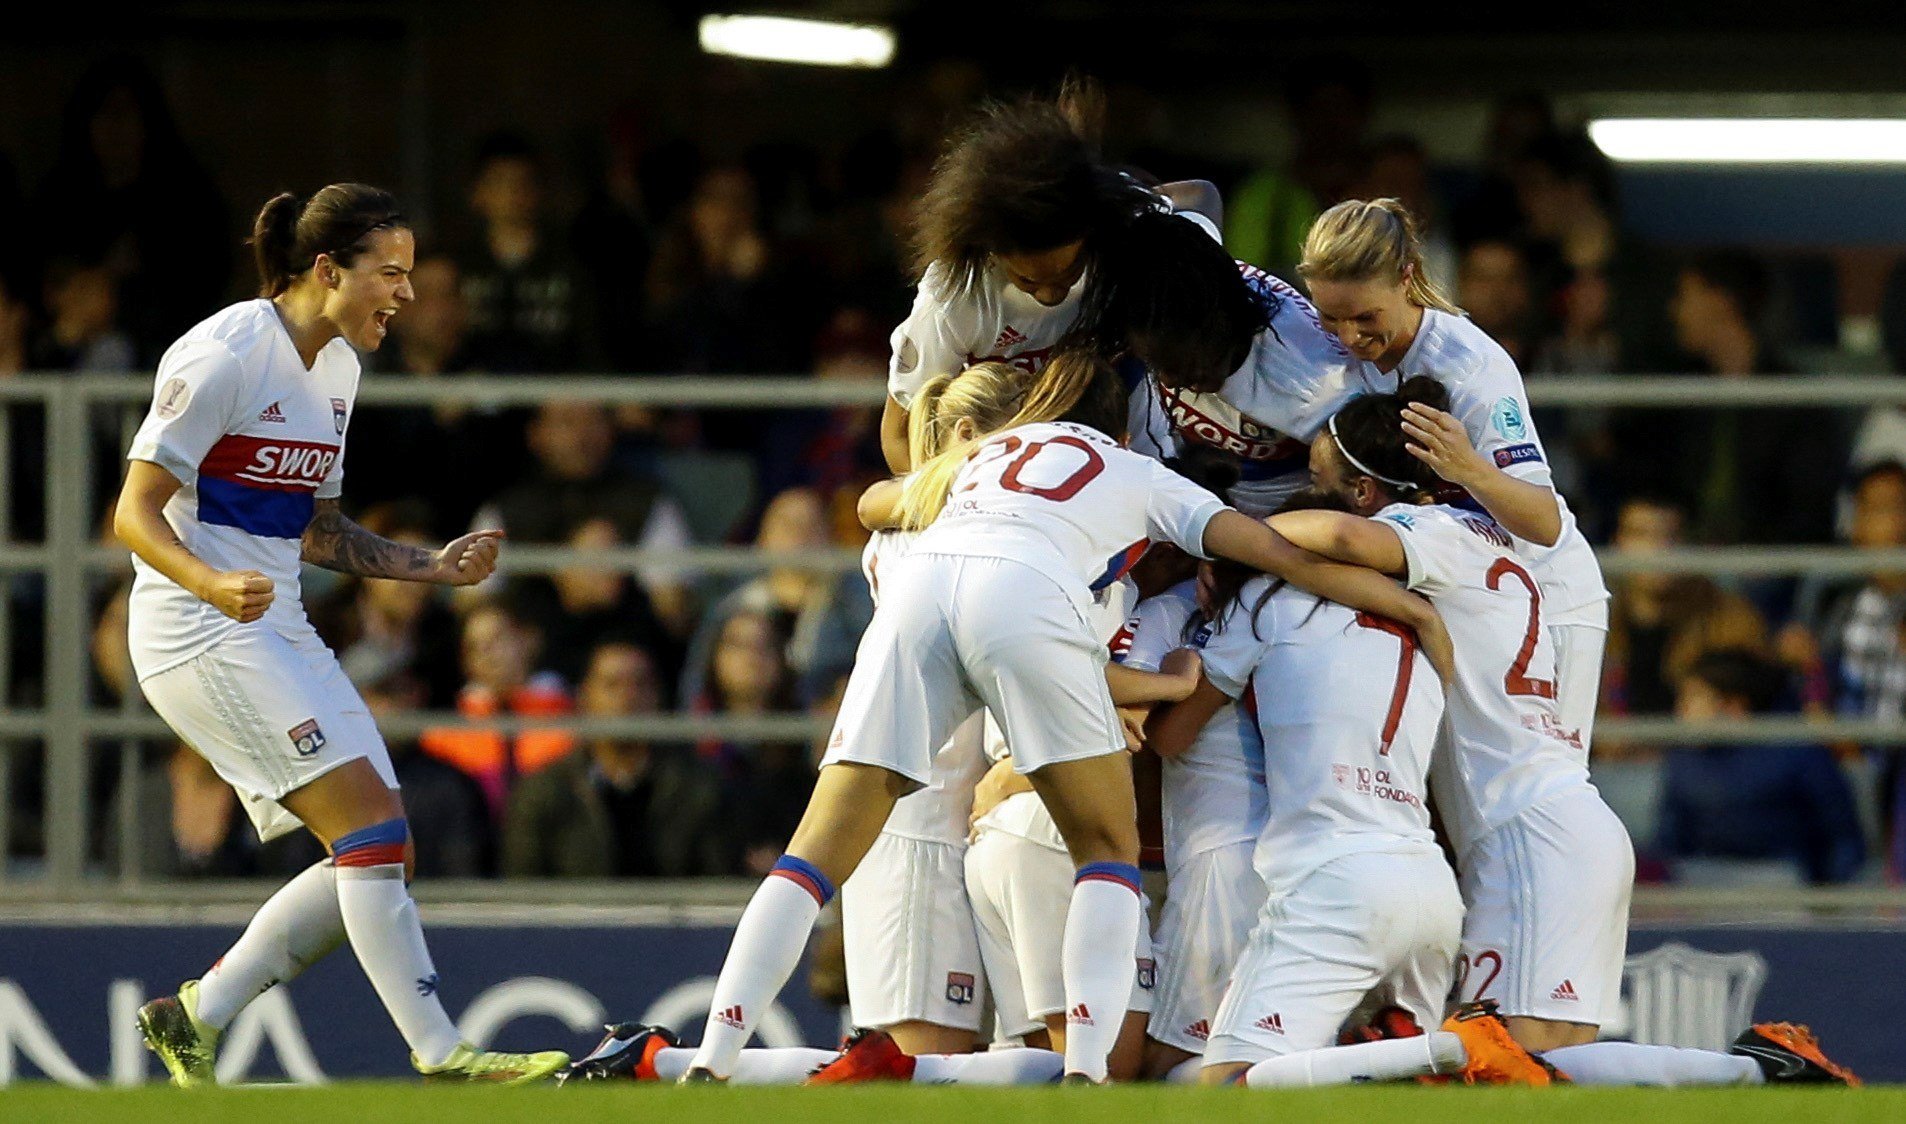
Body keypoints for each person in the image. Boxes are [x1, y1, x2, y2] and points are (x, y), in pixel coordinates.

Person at [680, 352, 1452, 1085]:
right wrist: (1405, 604)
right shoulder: (1137, 471)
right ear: (1121, 432)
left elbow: (874, 502)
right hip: (1025, 595)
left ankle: (714, 1053)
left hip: (924, 593)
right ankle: (1087, 1069)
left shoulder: (989, 455)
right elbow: (1277, 553)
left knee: (813, 853)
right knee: (1104, 849)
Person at [1263, 378, 1854, 1084]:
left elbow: (1333, 535)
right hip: (1556, 825)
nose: (1308, 494)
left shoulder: (1435, 535)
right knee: (1550, 1067)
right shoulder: (1497, 538)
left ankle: (1765, 1070)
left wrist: (1220, 527)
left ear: (1365, 491)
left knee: (1503, 1068)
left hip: (1529, 837)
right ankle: (1764, 1070)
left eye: (1321, 480)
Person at [114, 185, 567, 1084]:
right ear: (328, 270)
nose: (404, 294)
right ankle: (443, 1053)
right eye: (390, 273)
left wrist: (429, 568)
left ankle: (197, 1011)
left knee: (384, 845)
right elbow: (131, 513)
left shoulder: (339, 372)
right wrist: (210, 579)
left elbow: (316, 529)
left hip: (273, 619)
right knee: (366, 828)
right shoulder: (222, 354)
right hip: (197, 627)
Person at [1146, 493, 1534, 1089]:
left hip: (1334, 877)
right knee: (1385, 1098)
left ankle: (1440, 1053)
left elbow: (1173, 736)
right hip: (1429, 884)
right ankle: (1409, 1052)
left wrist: (1177, 666)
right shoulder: (1425, 623)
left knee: (1228, 1081)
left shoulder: (1265, 602)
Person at [1296, 197, 1610, 753]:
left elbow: (1544, 521)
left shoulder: (1471, 367)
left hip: (1545, 596)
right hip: (1452, 591)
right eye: (1330, 317)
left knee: (1538, 782)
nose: (1347, 337)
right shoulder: (1329, 348)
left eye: (1365, 317)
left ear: (1406, 279)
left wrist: (1468, 470)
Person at [880, 75, 1220, 473]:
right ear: (992, 255)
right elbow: (898, 435)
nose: (1049, 296)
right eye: (1028, 281)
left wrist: (1204, 282)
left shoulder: (1129, 229)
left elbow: (1202, 195)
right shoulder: (955, 295)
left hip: (1136, 464)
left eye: (1067, 274)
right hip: (1000, 483)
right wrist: (946, 504)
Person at [503, 641, 728, 877]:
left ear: (657, 697)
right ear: (584, 697)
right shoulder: (541, 792)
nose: (628, 697)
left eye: (640, 684)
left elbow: (714, 886)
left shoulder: (698, 788)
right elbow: (523, 889)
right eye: (612, 685)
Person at [1658, 649, 1865, 886]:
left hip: (1789, 897)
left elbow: (1842, 837)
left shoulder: (1798, 751)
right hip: (1701, 892)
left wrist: (1828, 905)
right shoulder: (1682, 761)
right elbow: (1669, 841)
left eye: (1691, 699)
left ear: (1734, 705)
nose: (1680, 712)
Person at [1602, 494, 1768, 726]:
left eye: (1669, 536)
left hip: (1701, 757)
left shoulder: (1730, 617)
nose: (1657, 550)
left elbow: (1745, 705)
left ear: (1687, 543)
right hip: (1605, 760)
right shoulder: (1590, 617)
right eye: (1641, 535)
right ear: (1617, 544)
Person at [455, 132, 592, 372]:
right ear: (477, 193)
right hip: (475, 394)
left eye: (524, 182)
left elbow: (591, 341)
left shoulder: (571, 262)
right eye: (500, 182)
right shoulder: (457, 266)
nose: (513, 194)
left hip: (558, 395)